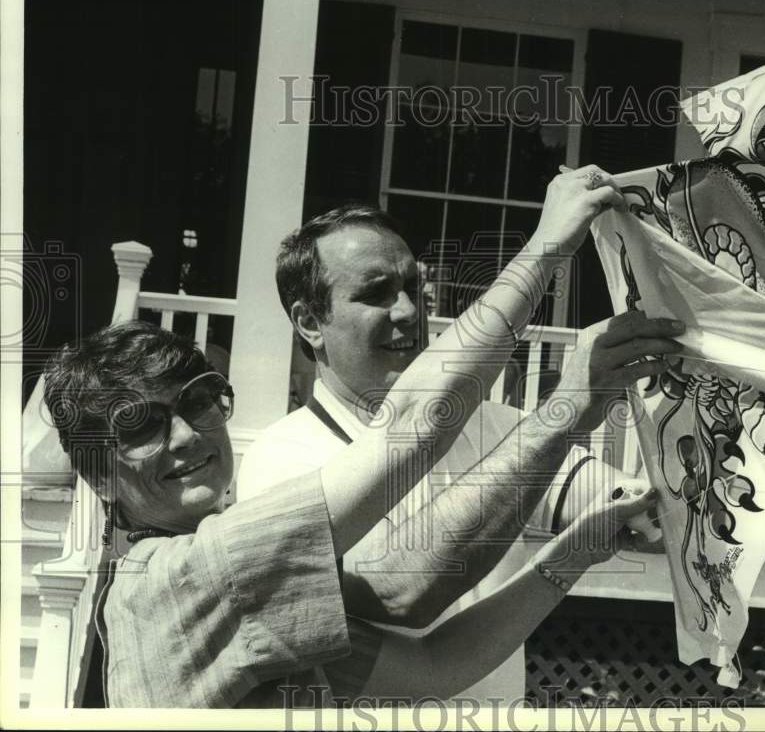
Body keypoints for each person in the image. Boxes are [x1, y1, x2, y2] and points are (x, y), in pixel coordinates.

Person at [43, 165, 684, 707]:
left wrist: (583, 544)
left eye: (200, 401)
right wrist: (547, 252)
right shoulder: (197, 568)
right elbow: (401, 578)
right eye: (142, 427)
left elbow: (438, 663)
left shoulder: (240, 576)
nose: (185, 437)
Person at [238, 168, 684, 701]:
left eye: (412, 288)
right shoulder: (281, 461)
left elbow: (644, 516)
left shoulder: (491, 425)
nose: (407, 311)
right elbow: (399, 589)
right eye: (376, 294)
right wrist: (562, 413)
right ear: (310, 322)